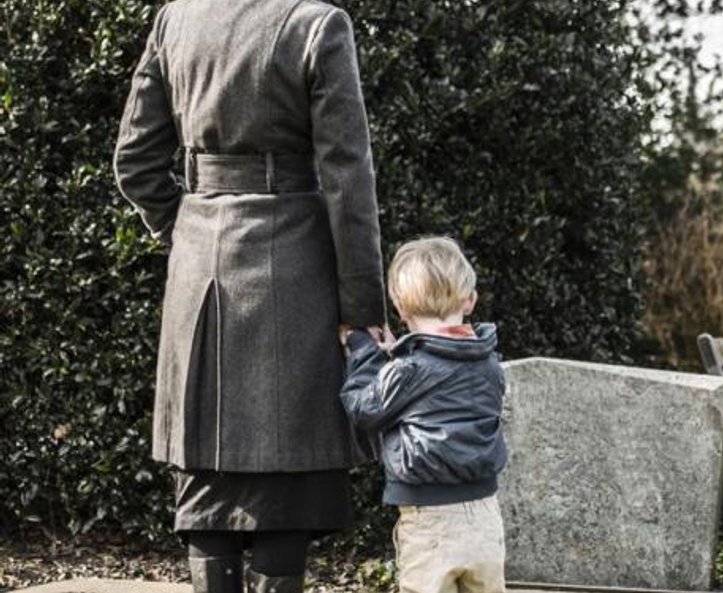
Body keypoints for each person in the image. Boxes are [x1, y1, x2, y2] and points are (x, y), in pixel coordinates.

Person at [112, 2, 386, 592]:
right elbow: (347, 173)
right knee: (288, 470)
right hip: (296, 265)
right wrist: (362, 308)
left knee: (205, 467)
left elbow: (134, 162)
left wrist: (183, 228)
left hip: (197, 263)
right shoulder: (318, 24)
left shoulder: (175, 19)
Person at [339, 237, 508, 593]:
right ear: (471, 299)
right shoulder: (489, 362)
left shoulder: (409, 371)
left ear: (400, 308)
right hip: (485, 514)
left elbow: (364, 408)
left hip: (430, 519)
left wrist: (364, 353)